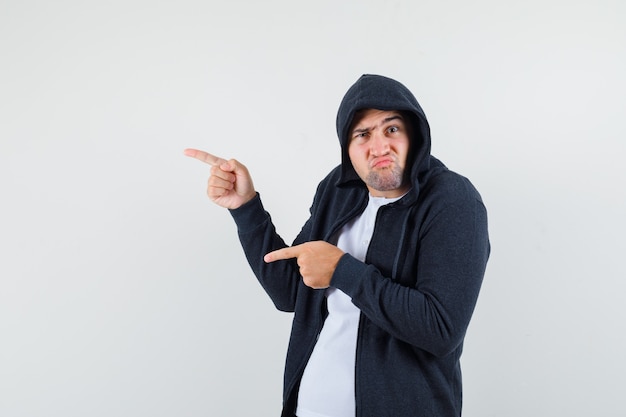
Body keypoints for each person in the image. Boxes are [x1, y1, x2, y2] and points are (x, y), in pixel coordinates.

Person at [184, 74, 490, 417]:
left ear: (414, 134)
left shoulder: (452, 200)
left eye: (392, 129)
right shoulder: (338, 189)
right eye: (363, 134)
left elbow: (440, 329)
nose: (379, 147)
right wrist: (246, 207)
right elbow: (290, 292)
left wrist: (343, 270)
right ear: (347, 147)